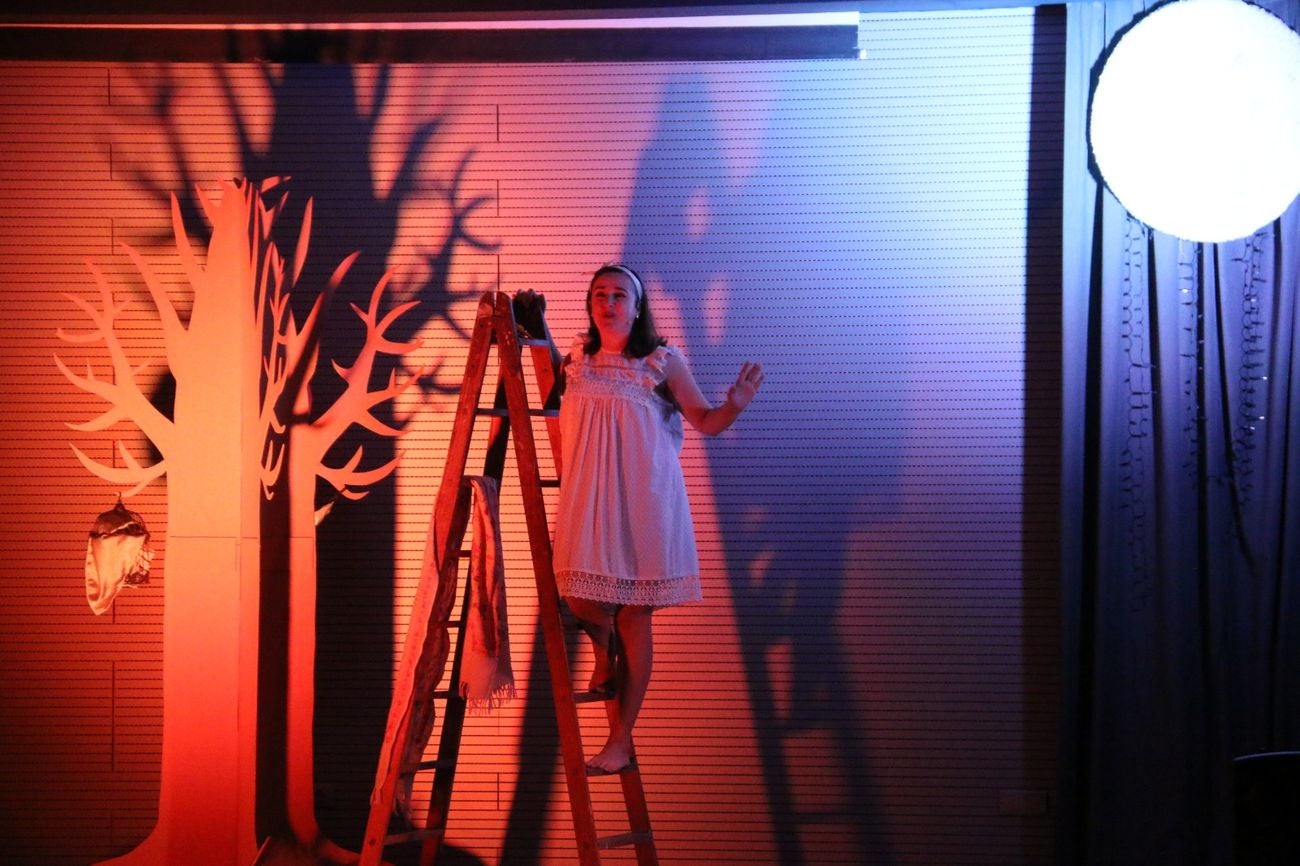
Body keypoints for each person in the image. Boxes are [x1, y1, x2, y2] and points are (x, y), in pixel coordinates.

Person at [552, 263, 764, 773]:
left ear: (637, 305)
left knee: (633, 613)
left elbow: (707, 421)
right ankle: (603, 656)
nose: (608, 303)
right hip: (590, 499)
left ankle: (620, 740)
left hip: (643, 498)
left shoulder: (661, 362)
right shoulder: (576, 361)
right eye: (599, 294)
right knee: (578, 591)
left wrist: (735, 404)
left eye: (619, 294)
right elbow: (564, 429)